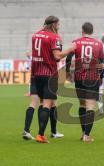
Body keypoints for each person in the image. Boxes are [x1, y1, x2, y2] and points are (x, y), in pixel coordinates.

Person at [31, 15, 75, 143]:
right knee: (47, 104)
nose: (59, 26)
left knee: (43, 103)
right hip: (50, 74)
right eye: (58, 24)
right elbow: (57, 56)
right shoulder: (54, 37)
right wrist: (70, 49)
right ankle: (41, 135)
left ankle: (50, 132)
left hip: (37, 74)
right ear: (54, 24)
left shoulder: (35, 35)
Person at [72, 22, 104, 142]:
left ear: (82, 30)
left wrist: (69, 72)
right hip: (92, 77)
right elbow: (101, 62)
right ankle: (87, 135)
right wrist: (100, 76)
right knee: (90, 106)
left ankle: (82, 132)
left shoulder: (76, 42)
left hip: (79, 77)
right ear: (92, 31)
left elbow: (69, 58)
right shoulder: (98, 44)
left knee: (82, 105)